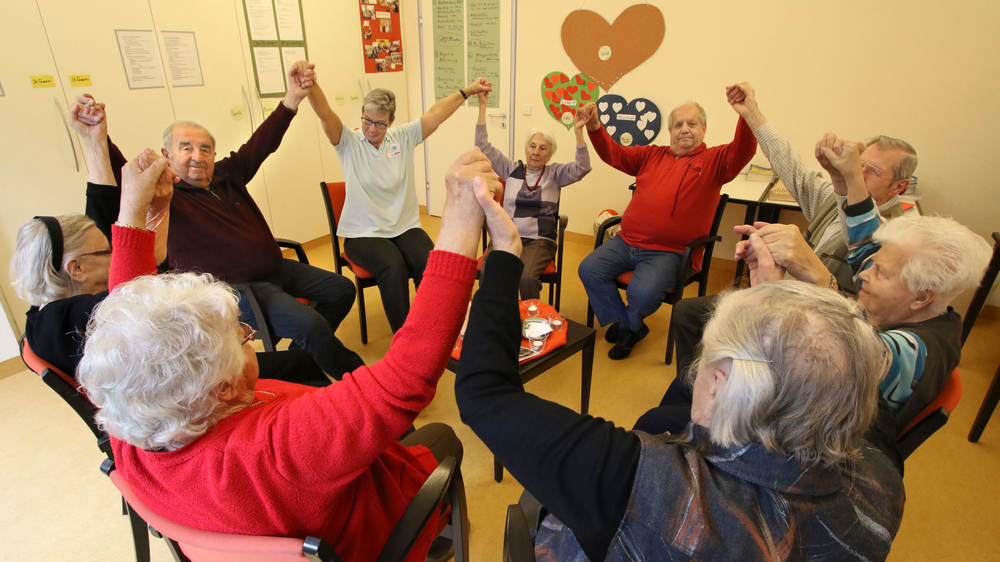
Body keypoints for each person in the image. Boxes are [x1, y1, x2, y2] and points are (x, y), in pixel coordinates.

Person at [77, 148, 508, 562]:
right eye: (243, 336)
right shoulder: (279, 450)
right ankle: (434, 538)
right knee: (442, 440)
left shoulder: (129, 416)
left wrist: (135, 213)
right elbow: (406, 378)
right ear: (224, 389)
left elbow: (128, 314)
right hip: (358, 533)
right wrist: (459, 225)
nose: (249, 336)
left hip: (260, 523)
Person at [455, 192, 904, 559]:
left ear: (716, 384)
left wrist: (503, 258)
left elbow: (484, 393)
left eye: (705, 356)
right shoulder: (881, 482)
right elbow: (839, 365)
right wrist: (772, 297)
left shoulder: (642, 483)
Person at [8, 96, 327, 385]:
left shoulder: (59, 308)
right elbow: (131, 295)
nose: (119, 254)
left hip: (186, 370)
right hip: (184, 398)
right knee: (299, 360)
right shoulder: (67, 321)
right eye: (110, 250)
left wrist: (95, 143)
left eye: (205, 149)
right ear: (75, 268)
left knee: (303, 349)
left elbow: (110, 225)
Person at [105, 61, 363, 379]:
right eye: (186, 148)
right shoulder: (166, 195)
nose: (198, 156)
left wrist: (292, 99)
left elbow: (262, 143)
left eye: (206, 149)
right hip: (236, 289)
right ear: (167, 154)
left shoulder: (228, 174)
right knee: (310, 324)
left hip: (275, 268)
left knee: (341, 289)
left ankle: (299, 360)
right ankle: (364, 382)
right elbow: (122, 174)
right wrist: (99, 137)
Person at [576, 88, 757, 359]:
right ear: (670, 131)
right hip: (627, 241)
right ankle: (629, 326)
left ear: (704, 129)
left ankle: (626, 325)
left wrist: (746, 113)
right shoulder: (652, 155)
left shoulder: (714, 161)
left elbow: (743, 149)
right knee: (589, 269)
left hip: (670, 252)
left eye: (692, 124)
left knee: (642, 291)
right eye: (678, 124)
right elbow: (614, 154)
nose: (684, 129)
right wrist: (594, 127)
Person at [307, 75, 492, 333]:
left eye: (379, 124)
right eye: (367, 120)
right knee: (393, 266)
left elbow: (436, 115)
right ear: (362, 115)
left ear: (391, 122)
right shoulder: (349, 142)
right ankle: (405, 338)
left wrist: (468, 91)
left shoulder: (401, 137)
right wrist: (311, 85)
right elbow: (326, 114)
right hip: (363, 234)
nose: (371, 128)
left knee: (430, 261)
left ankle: (436, 326)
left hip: (404, 227)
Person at [474, 90, 590, 299]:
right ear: (526, 148)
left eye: (543, 148)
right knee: (488, 272)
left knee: (526, 278)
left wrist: (579, 132)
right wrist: (483, 106)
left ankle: (532, 323)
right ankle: (494, 319)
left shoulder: (555, 174)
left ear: (550, 153)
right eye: (532, 146)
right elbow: (482, 146)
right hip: (507, 234)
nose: (536, 152)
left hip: (539, 240)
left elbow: (583, 167)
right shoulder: (511, 169)